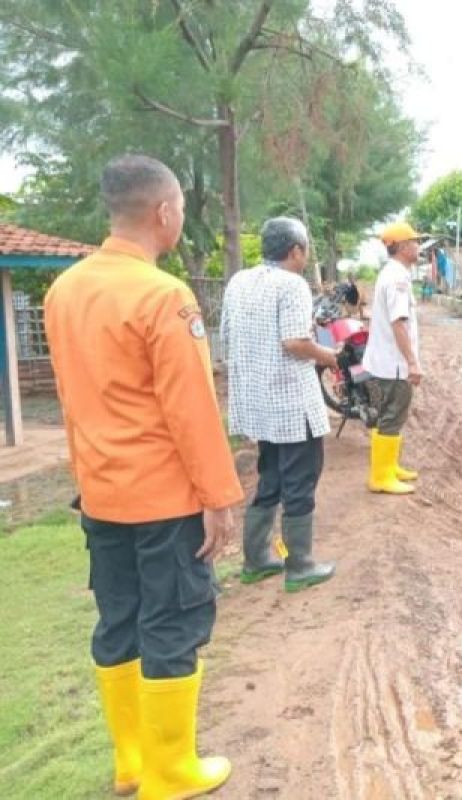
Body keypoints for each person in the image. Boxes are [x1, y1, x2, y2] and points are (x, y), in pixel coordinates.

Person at [44, 154, 243, 798]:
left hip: (100, 495)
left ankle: (131, 762)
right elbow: (190, 410)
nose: (181, 217)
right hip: (162, 499)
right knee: (172, 623)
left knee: (119, 620)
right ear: (163, 213)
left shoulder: (64, 290)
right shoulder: (163, 295)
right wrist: (218, 496)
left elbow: (74, 398)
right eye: (181, 207)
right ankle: (170, 772)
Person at [222, 217, 339, 594]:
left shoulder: (239, 282)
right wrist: (330, 356)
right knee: (301, 479)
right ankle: (300, 564)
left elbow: (225, 335)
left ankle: (256, 559)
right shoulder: (292, 285)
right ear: (296, 251)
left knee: (269, 474)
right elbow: (295, 342)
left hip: (258, 403)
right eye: (305, 249)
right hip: (291, 403)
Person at [362, 222, 424, 494]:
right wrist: (412, 361)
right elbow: (399, 323)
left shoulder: (391, 273)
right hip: (394, 365)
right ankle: (381, 476)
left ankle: (387, 466)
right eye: (414, 242)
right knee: (393, 415)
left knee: (384, 415)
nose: (418, 246)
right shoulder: (397, 277)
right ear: (400, 246)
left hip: (382, 362)